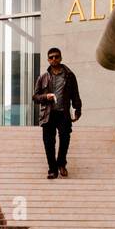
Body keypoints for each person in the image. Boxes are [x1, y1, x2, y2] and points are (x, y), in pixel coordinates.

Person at [32, 48, 81, 179]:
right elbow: (35, 97)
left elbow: (75, 94)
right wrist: (45, 97)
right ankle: (52, 169)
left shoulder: (69, 75)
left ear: (61, 58)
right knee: (48, 142)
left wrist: (78, 109)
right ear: (48, 60)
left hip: (63, 113)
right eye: (51, 57)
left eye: (56, 57)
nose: (54, 59)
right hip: (48, 114)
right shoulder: (43, 77)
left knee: (65, 138)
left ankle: (61, 163)